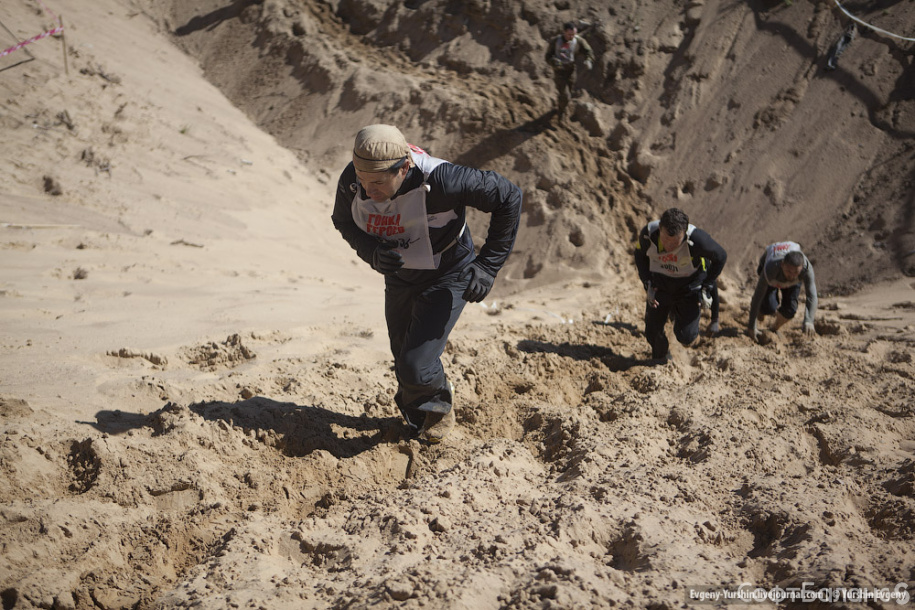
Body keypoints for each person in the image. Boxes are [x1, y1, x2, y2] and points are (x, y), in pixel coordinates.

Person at [331, 125, 522, 443]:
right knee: (402, 355)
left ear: (404, 167)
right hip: (400, 275)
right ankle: (417, 421)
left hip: (448, 272)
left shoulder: (444, 180)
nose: (368, 191)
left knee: (415, 364)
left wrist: (488, 265)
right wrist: (373, 254)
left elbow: (509, 197)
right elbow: (343, 221)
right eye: (362, 181)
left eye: (377, 182)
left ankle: (437, 415)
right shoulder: (354, 179)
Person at [634, 207, 728, 362]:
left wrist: (706, 287)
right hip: (661, 285)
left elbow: (721, 256)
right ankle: (662, 357)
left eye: (674, 243)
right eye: (665, 240)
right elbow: (639, 255)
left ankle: (682, 322)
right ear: (660, 228)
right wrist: (647, 283)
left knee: (686, 337)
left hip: (688, 288)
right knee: (652, 333)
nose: (669, 247)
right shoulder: (648, 234)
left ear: (684, 234)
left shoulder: (697, 240)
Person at [747, 242, 818, 341]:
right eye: (789, 271)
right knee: (768, 307)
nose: (792, 276)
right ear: (782, 264)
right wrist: (751, 326)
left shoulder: (806, 270)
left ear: (801, 267)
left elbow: (812, 296)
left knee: (790, 310)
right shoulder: (771, 268)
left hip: (790, 282)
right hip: (774, 277)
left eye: (796, 272)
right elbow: (757, 296)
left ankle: (774, 328)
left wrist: (809, 321)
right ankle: (761, 312)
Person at [545, 21, 595, 122]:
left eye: (573, 34)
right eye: (569, 34)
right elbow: (547, 56)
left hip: (571, 70)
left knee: (569, 92)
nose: (572, 36)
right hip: (559, 71)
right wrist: (553, 62)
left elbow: (588, 51)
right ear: (564, 32)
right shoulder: (555, 41)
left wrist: (588, 60)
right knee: (565, 95)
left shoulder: (578, 41)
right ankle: (561, 113)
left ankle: (562, 105)